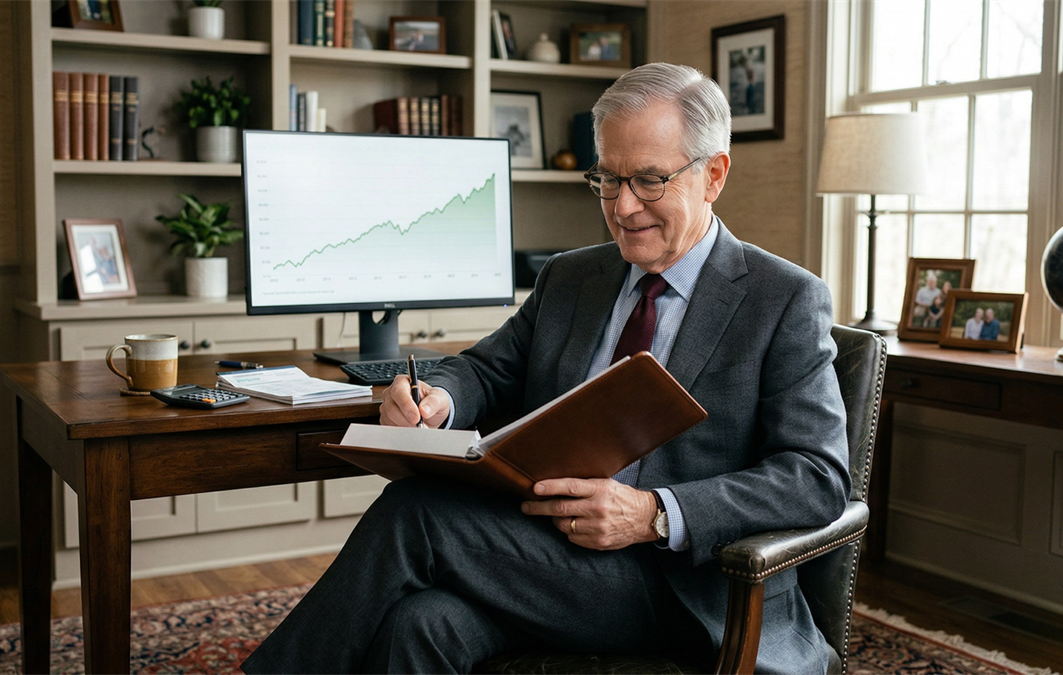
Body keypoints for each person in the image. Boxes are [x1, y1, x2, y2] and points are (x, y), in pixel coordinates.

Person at [241, 63, 849, 675]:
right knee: (418, 625)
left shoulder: (783, 299)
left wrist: (654, 513)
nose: (623, 206)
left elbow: (817, 476)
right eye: (607, 179)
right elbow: (486, 370)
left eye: (648, 180)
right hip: (543, 550)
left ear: (713, 174)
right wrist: (437, 400)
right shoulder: (571, 276)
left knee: (415, 513)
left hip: (683, 586)